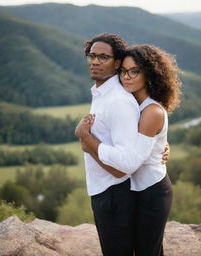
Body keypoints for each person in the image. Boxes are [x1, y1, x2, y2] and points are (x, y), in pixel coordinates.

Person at [75, 34, 171, 256]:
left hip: (151, 190)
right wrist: (162, 147)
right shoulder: (125, 99)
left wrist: (87, 141)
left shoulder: (138, 107)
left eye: (134, 71)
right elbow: (144, 140)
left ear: (149, 74)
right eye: (124, 72)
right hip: (135, 189)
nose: (126, 77)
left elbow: (124, 166)